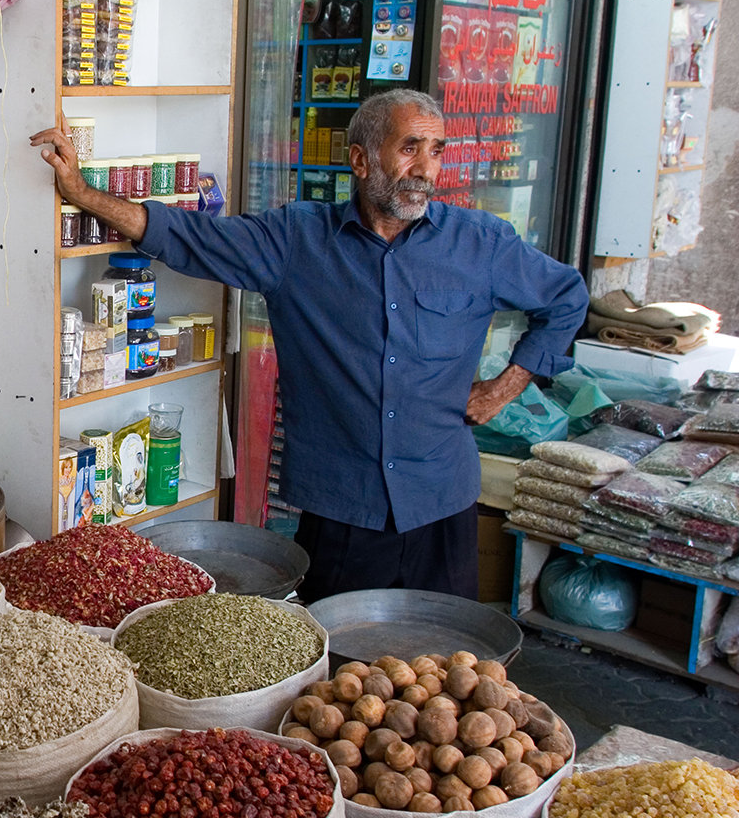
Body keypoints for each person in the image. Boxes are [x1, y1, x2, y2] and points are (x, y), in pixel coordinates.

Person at [30, 89, 589, 601]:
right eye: (410, 148)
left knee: (441, 670)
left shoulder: (480, 242)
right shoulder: (298, 239)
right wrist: (80, 192)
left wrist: (504, 387)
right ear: (362, 159)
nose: (425, 169)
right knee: (336, 671)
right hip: (343, 506)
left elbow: (566, 298)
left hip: (440, 500)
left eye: (437, 151)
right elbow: (189, 237)